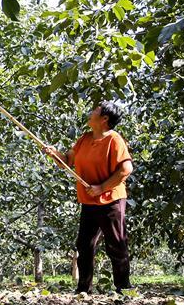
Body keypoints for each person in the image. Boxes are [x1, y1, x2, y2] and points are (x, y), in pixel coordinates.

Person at [45, 101, 133, 294]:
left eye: (96, 110)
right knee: (84, 245)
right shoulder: (84, 139)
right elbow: (67, 162)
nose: (91, 112)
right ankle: (83, 288)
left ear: (104, 119)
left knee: (116, 244)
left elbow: (126, 169)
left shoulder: (114, 139)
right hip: (88, 201)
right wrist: (54, 154)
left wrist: (101, 187)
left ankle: (124, 288)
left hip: (111, 200)